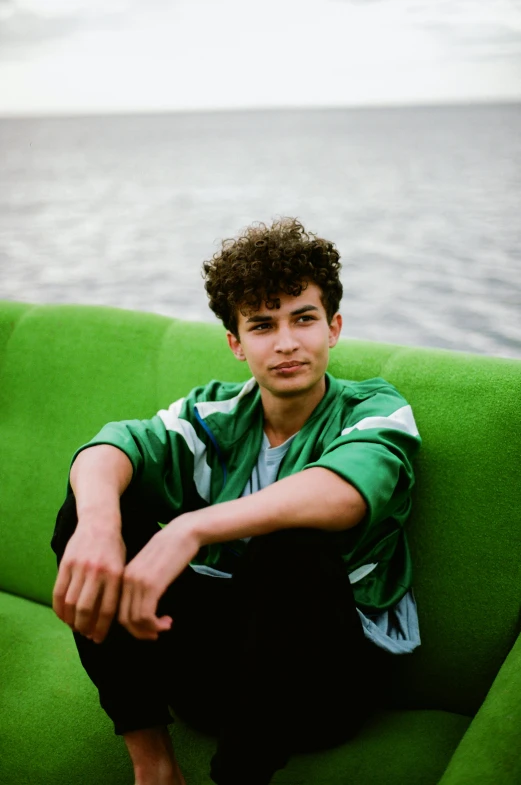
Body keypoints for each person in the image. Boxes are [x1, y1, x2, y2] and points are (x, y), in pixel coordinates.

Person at [51, 216, 422, 785]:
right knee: (88, 508)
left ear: (334, 327)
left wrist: (189, 528)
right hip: (211, 677)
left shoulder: (373, 409)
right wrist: (99, 524)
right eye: (262, 325)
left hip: (321, 686)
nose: (287, 342)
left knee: (293, 549)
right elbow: (114, 444)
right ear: (236, 343)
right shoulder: (216, 414)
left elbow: (344, 494)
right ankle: (153, 765)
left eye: (304, 319)